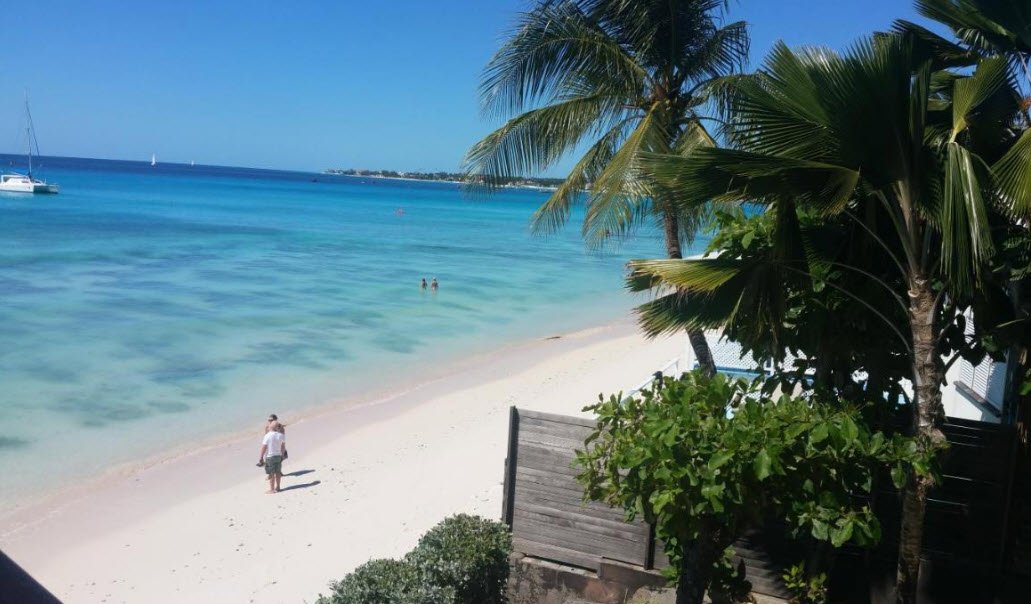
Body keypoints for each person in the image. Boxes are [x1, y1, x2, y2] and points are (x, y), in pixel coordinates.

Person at [259, 422, 286, 494]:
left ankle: (272, 489)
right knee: (278, 472)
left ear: (270, 427)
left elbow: (264, 447)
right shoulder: (281, 435)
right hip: (278, 456)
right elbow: (283, 446)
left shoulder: (267, 435)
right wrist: (282, 455)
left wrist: (261, 457)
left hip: (270, 457)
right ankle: (278, 487)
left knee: (271, 473)